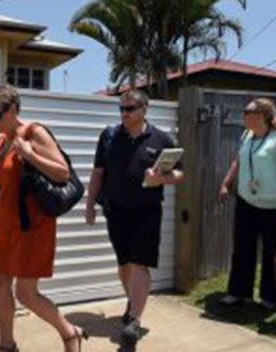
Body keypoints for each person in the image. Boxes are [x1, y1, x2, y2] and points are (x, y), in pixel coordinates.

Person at [0, 84, 88, 352]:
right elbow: (0, 188)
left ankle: (69, 332)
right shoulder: (0, 143)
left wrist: (29, 154)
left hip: (33, 227)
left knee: (25, 293)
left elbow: (63, 173)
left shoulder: (34, 132)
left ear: (14, 109)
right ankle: (7, 345)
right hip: (6, 226)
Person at [85, 90, 184, 340]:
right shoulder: (109, 137)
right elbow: (98, 172)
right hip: (116, 210)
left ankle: (135, 319)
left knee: (140, 263)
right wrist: (89, 205)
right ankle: (133, 302)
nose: (124, 114)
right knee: (124, 264)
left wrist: (160, 178)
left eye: (129, 109)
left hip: (147, 211)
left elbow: (179, 173)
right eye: (121, 109)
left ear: (144, 110)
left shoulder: (161, 138)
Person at [218, 98, 276, 309]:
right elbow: (238, 161)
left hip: (275, 206)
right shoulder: (247, 135)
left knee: (273, 252)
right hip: (247, 201)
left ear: (263, 115)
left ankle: (271, 297)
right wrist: (226, 183)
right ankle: (239, 292)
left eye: (248, 111)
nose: (244, 114)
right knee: (242, 248)